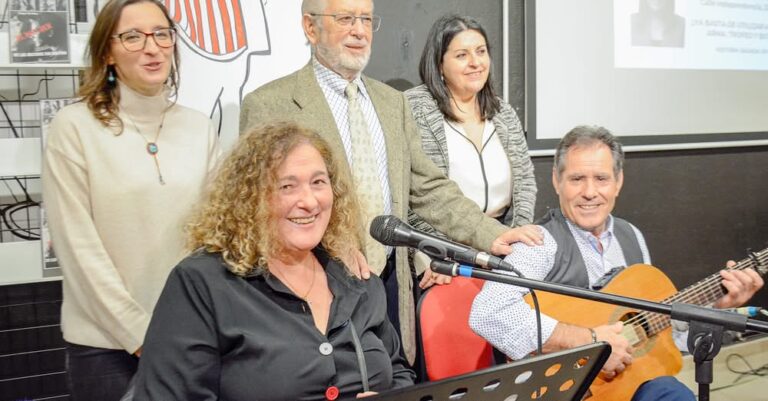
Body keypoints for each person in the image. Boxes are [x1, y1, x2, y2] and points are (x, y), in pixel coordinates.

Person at [239, 0, 542, 365]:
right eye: (345, 19)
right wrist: (333, 244)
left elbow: (427, 187)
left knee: (391, 379)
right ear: (310, 27)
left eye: (366, 19)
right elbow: (260, 208)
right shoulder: (270, 105)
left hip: (388, 283)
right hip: (314, 283)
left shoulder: (392, 103)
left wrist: (488, 233)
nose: (359, 30)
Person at [469, 125, 764, 400]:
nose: (589, 192)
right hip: (562, 390)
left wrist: (717, 310)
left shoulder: (631, 236)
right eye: (576, 179)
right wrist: (589, 341)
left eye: (601, 178)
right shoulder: (539, 243)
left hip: (626, 384)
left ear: (618, 182)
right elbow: (487, 314)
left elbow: (656, 331)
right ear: (557, 182)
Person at [132, 122, 415, 400]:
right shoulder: (202, 283)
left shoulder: (357, 280)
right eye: (287, 186)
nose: (309, 201)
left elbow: (399, 372)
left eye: (318, 182)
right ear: (249, 198)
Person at [41, 0, 219, 399]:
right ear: (107, 51)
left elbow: (213, 235)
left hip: (191, 338)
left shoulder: (198, 127)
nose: (152, 48)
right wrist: (138, 334)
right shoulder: (74, 128)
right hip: (106, 349)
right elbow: (77, 248)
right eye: (133, 37)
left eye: (161, 34)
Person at [405, 14, 537, 289]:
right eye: (462, 55)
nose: (476, 62)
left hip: (501, 248)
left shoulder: (503, 112)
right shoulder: (414, 109)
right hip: (443, 258)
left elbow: (525, 183)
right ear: (439, 64)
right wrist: (449, 252)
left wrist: (513, 239)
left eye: (481, 52)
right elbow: (415, 195)